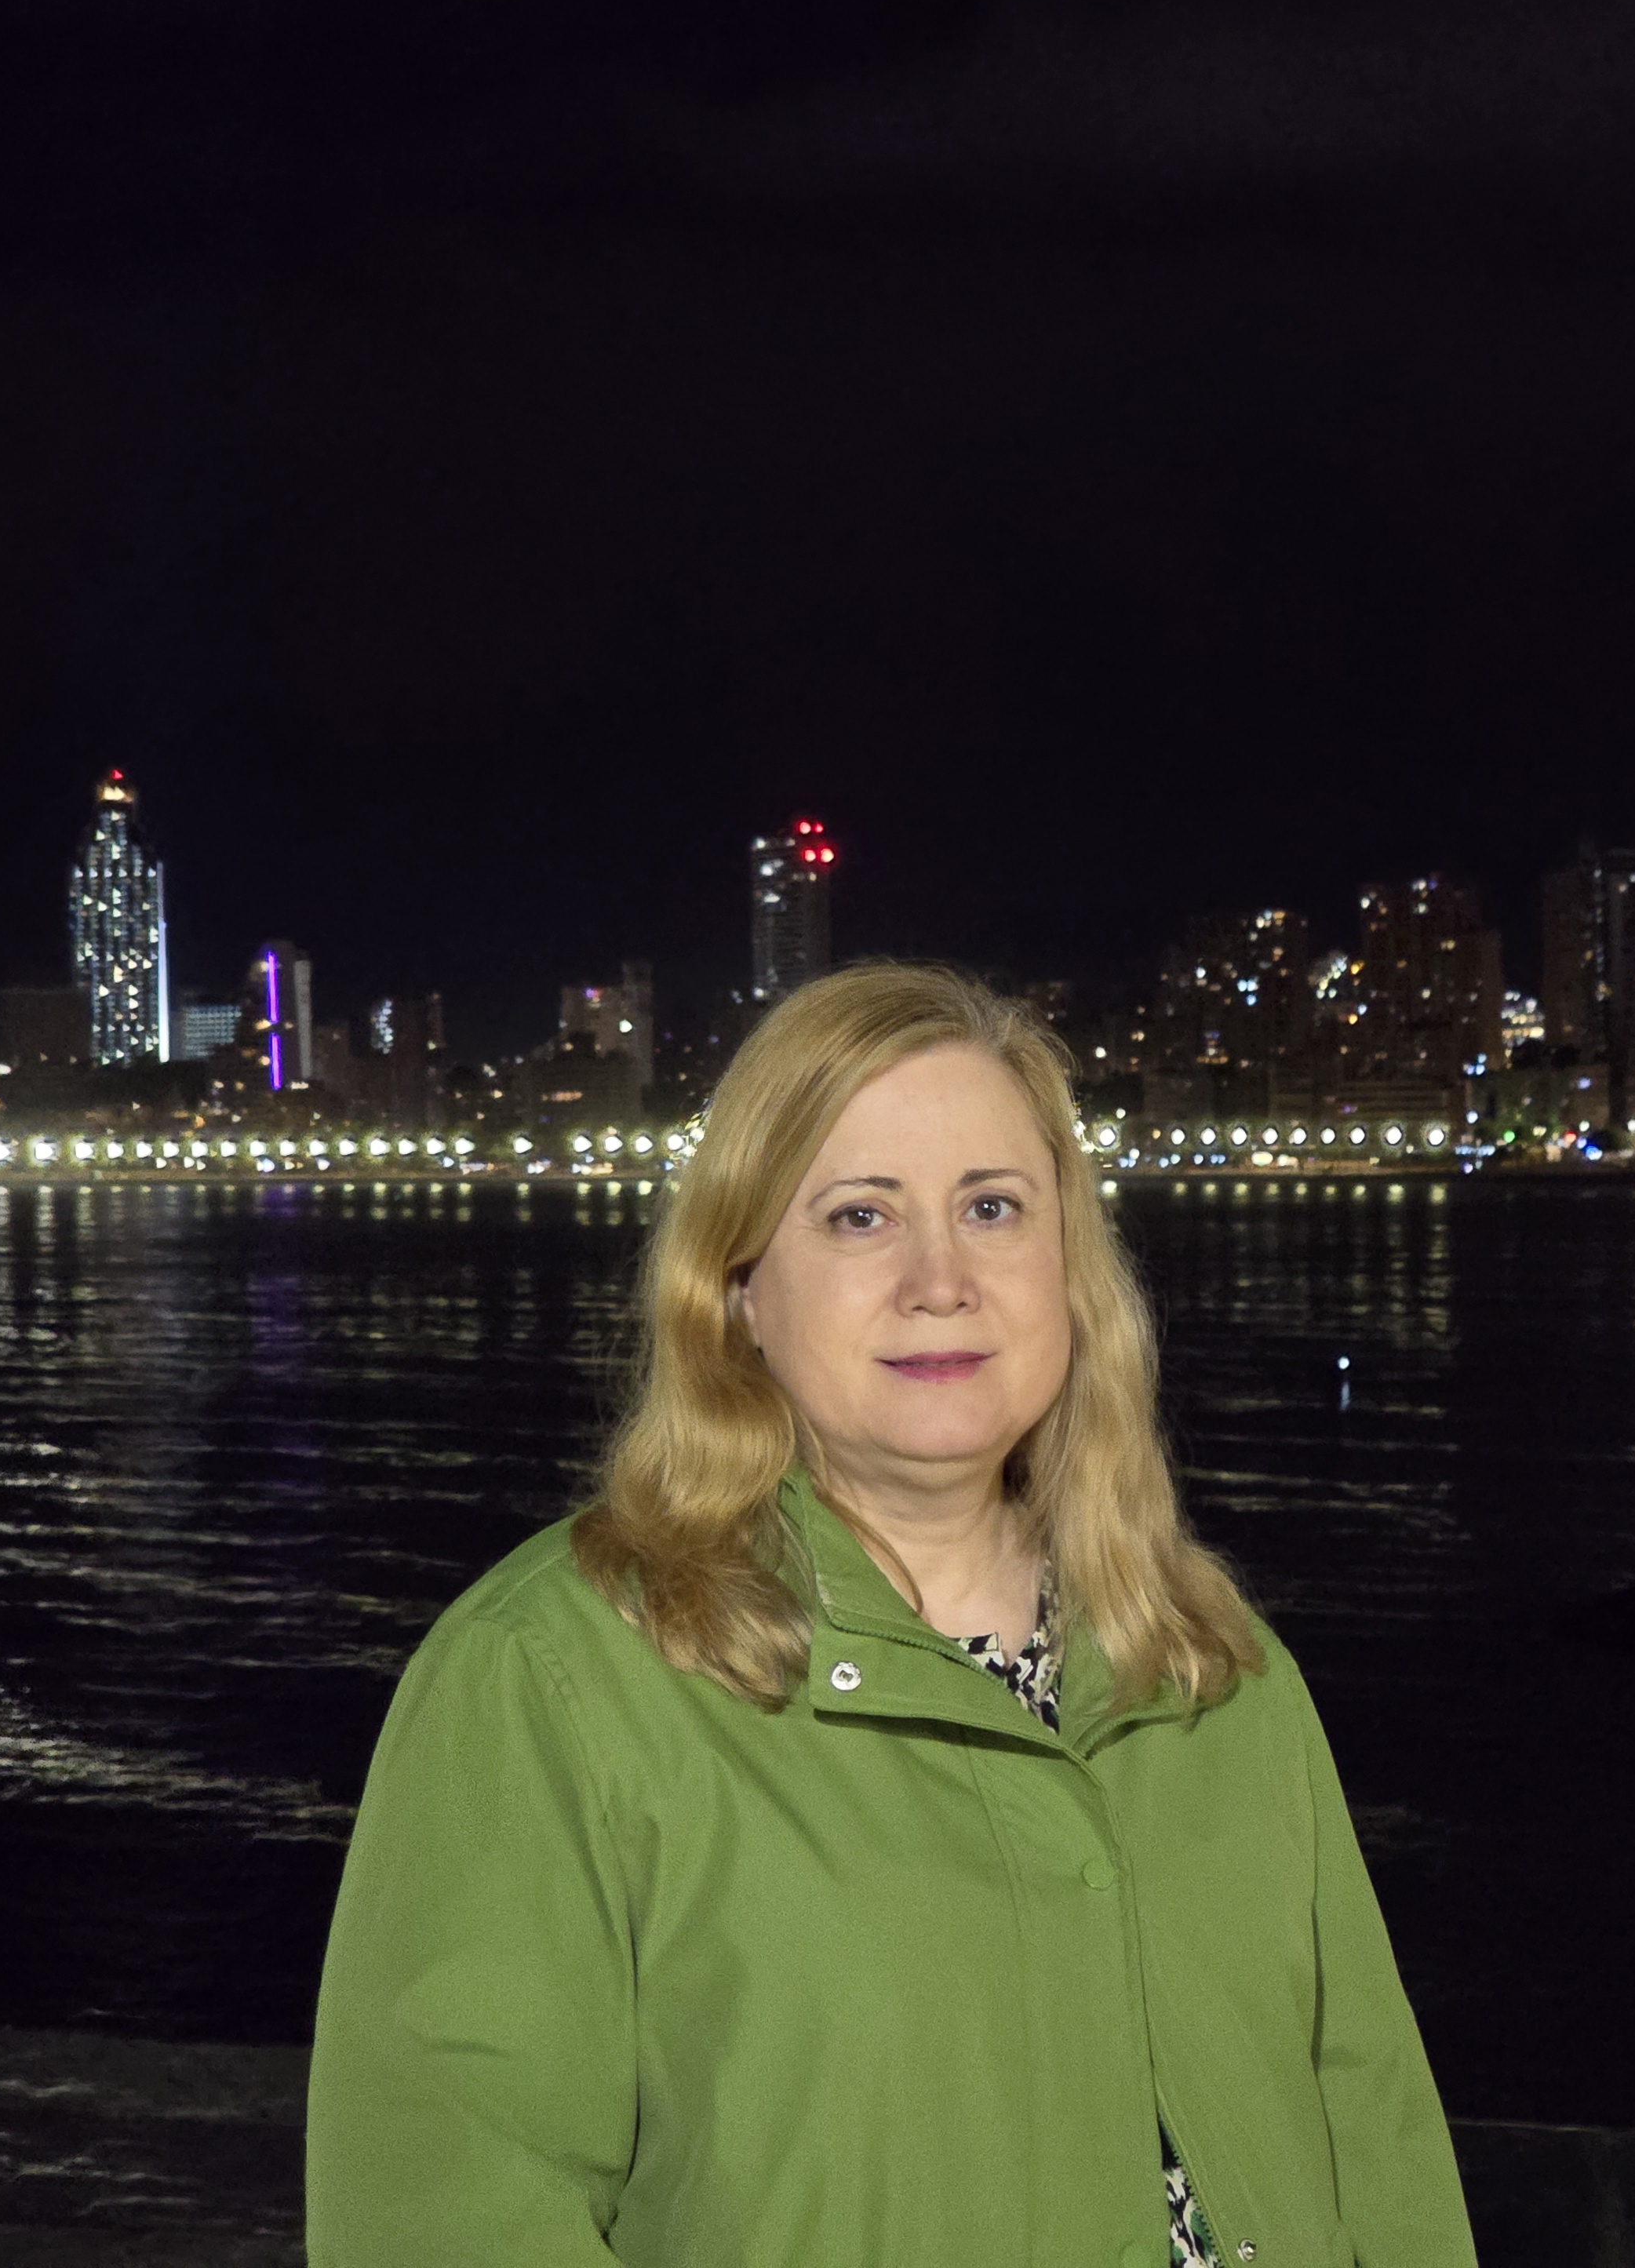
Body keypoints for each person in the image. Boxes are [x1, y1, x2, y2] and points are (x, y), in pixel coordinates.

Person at [306, 963, 1477, 2268]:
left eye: (993, 1208)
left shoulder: (1212, 1666)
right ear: (739, 1289)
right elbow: (448, 2210)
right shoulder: (553, 1678)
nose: (940, 1279)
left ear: (1070, 1270)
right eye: (860, 1217)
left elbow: (1376, 2135)